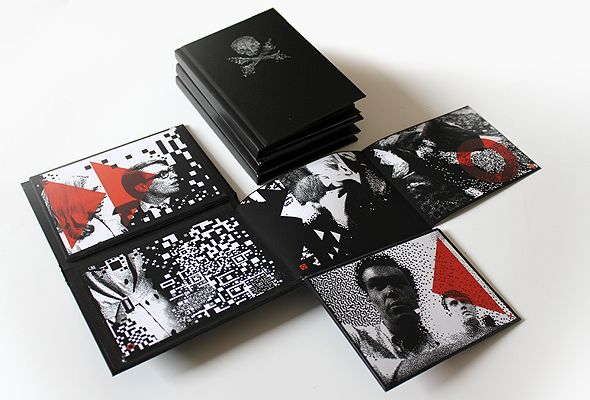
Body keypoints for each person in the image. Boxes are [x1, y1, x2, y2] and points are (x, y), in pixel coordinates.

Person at [345, 256, 461, 388]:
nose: (390, 291)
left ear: (415, 292)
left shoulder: (448, 335)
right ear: (369, 297)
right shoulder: (356, 337)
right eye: (378, 286)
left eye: (398, 283)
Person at [117, 159, 180, 227]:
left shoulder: (187, 198)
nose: (175, 175)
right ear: (142, 187)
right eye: (163, 174)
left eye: (171, 170)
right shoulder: (126, 217)